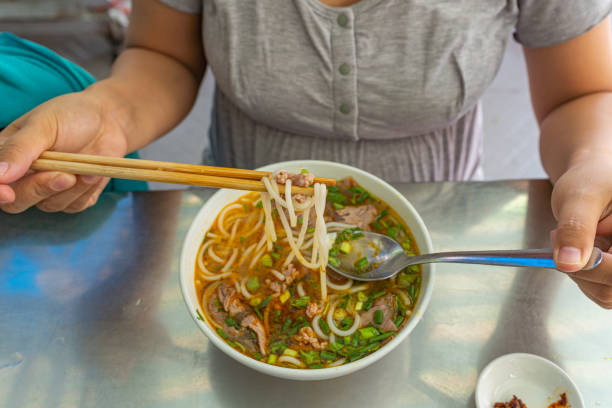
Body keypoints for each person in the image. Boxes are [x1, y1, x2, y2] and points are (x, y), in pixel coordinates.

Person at [1, 0, 611, 308]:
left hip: (437, 240)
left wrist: (593, 167)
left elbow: (582, 93)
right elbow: (165, 57)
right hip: (240, 223)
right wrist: (106, 117)